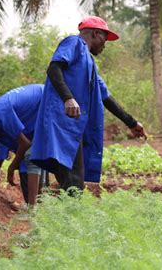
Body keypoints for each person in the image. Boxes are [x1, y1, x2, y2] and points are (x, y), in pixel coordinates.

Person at [31, 16, 147, 193]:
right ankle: (68, 218)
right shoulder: (74, 43)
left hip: (73, 128)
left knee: (74, 181)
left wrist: (131, 123)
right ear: (95, 33)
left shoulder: (90, 64)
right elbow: (54, 69)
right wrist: (68, 98)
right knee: (73, 182)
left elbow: (106, 98)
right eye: (105, 38)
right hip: (61, 125)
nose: (105, 44)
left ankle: (64, 217)